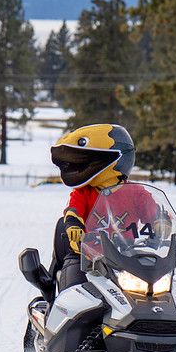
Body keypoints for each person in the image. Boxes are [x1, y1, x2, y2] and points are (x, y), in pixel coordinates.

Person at [48, 123, 140, 293]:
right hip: (85, 256)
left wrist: (162, 223)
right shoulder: (83, 192)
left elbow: (154, 211)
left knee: (159, 291)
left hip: (127, 257)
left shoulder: (136, 192)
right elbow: (73, 210)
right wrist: (73, 225)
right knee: (72, 294)